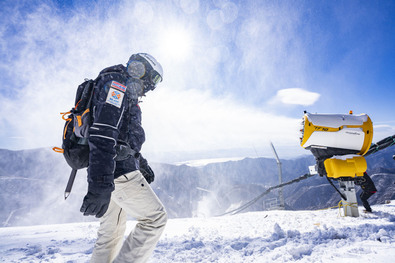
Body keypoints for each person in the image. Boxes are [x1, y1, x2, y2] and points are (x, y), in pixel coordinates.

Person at [79, 53, 167, 263]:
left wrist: (139, 161)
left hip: (109, 170)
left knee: (112, 231)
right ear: (141, 70)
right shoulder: (117, 85)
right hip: (116, 172)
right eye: (153, 80)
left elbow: (121, 136)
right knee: (155, 219)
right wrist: (100, 184)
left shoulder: (118, 86)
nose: (152, 87)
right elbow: (103, 132)